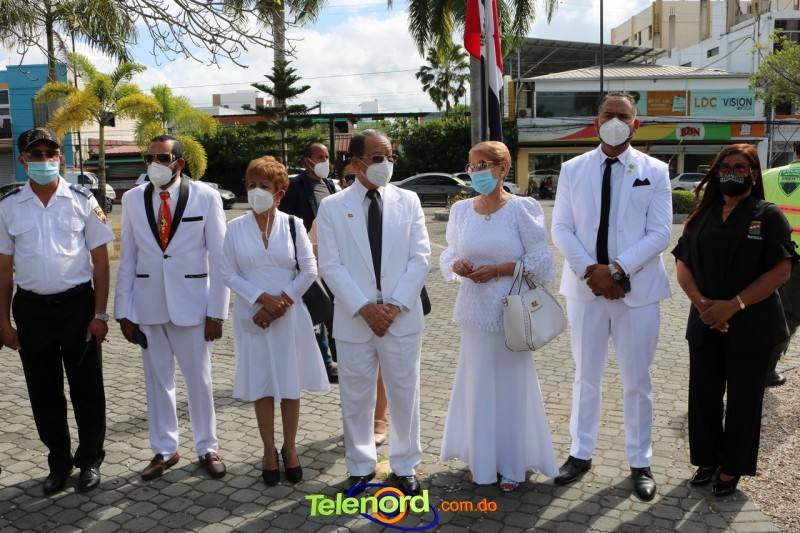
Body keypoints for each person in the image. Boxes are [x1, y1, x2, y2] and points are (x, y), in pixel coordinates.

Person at [551, 91, 672, 502]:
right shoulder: (573, 169)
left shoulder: (655, 170)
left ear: (636, 123)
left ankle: (640, 461)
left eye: (623, 115)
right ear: (596, 120)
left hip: (637, 292)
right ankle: (580, 453)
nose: (615, 121)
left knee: (637, 380)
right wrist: (594, 272)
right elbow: (561, 228)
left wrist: (616, 270)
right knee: (586, 375)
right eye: (609, 114)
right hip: (586, 291)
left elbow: (660, 233)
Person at [672, 144, 794, 497]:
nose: (732, 173)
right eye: (724, 167)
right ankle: (707, 460)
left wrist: (733, 305)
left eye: (741, 168)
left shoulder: (767, 215)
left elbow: (781, 271)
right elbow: (682, 263)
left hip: (753, 325)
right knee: (704, 396)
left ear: (754, 174)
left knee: (744, 400)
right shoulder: (702, 214)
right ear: (715, 172)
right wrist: (704, 306)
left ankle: (732, 467)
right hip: (706, 321)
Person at [439, 141, 559, 492]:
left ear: (503, 169)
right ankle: (483, 459)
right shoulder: (461, 210)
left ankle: (511, 463)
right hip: (474, 313)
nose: (475, 172)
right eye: (472, 166)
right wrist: (457, 265)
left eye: (483, 165)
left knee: (511, 387)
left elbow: (543, 262)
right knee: (477, 385)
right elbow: (449, 253)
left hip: (512, 313)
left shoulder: (522, 208)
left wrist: (500, 269)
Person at [317, 129, 430, 495]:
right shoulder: (332, 206)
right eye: (378, 158)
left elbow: (420, 258)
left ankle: (405, 464)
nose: (386, 164)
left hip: (401, 316)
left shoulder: (408, 201)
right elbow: (330, 265)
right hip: (355, 318)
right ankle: (360, 466)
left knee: (405, 394)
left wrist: (392, 307)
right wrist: (365, 308)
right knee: (355, 397)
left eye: (390, 157)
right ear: (356, 162)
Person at [0, 127, 113, 494]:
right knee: (43, 392)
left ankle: (90, 459)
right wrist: (3, 322)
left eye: (50, 153)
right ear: (23, 161)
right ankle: (59, 463)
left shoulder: (83, 200)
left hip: (77, 308)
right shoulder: (8, 206)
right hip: (31, 310)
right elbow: (3, 270)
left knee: (87, 389)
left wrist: (99, 315)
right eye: (36, 154)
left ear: (60, 157)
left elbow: (101, 262)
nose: (44, 160)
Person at [115, 134, 230, 481]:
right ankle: (165, 449)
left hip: (193, 307)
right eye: (149, 158)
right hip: (149, 305)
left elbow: (220, 259)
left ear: (179, 163)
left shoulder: (206, 197)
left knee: (200, 381)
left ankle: (207, 446)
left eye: (162, 158)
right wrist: (123, 311)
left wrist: (217, 313)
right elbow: (128, 257)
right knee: (157, 382)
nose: (155, 164)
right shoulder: (133, 199)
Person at [221, 156, 329, 486]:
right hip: (252, 316)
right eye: (251, 185)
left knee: (290, 383)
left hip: (289, 315)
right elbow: (228, 273)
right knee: (262, 384)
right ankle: (269, 450)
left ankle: (290, 447)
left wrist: (280, 302)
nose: (256, 191)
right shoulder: (234, 228)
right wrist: (262, 299)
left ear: (279, 192)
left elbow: (309, 271)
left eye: (264, 186)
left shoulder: (294, 225)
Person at [313, 158, 390, 446]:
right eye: (347, 179)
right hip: (347, 306)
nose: (352, 183)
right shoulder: (329, 212)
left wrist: (389, 305)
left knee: (384, 366)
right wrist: (362, 306)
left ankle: (380, 417)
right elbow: (323, 263)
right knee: (355, 374)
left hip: (391, 308)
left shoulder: (395, 204)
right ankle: (358, 430)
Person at [280, 141, 338, 383]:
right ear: (307, 161)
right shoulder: (295, 185)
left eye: (327, 157)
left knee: (332, 310)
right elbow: (286, 221)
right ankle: (324, 362)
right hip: (306, 260)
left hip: (331, 260)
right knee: (318, 311)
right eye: (320, 157)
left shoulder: (330, 185)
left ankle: (337, 359)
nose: (325, 161)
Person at [761, 143, 800, 387]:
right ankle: (766, 368)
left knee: (762, 311)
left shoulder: (767, 176)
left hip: (765, 257)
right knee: (788, 315)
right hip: (797, 262)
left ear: (795, 148)